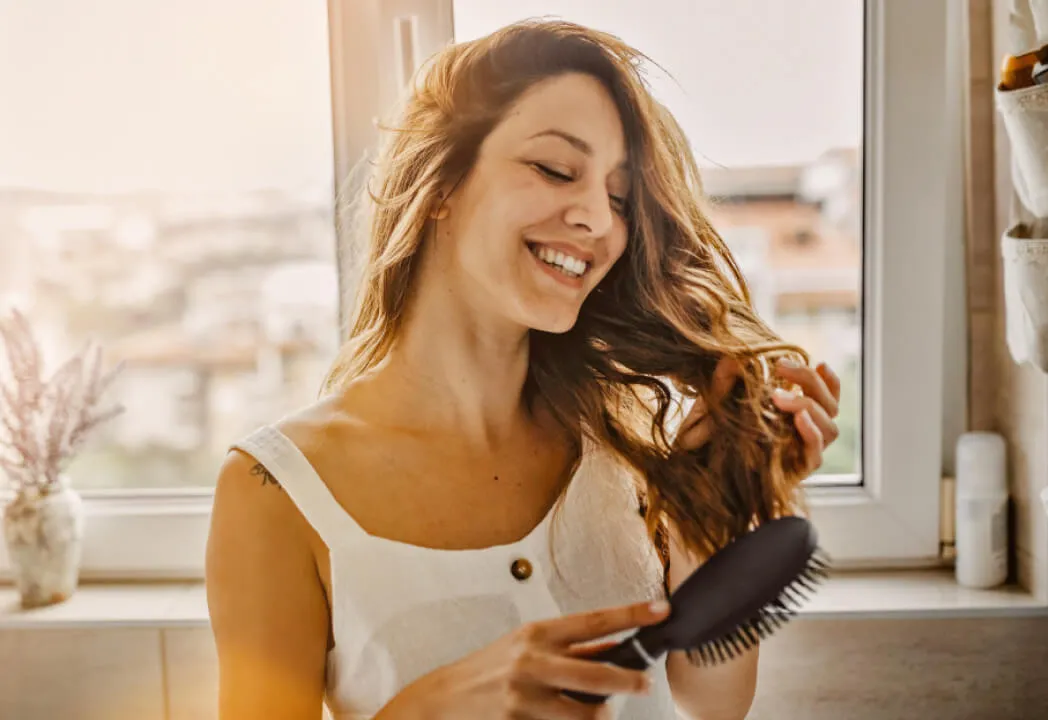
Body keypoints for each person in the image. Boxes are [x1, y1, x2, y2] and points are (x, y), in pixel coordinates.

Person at [205, 18, 842, 720]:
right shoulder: (278, 492)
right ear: (441, 181)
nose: (599, 219)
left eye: (620, 198)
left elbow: (708, 704)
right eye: (555, 169)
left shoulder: (630, 444)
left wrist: (715, 510)